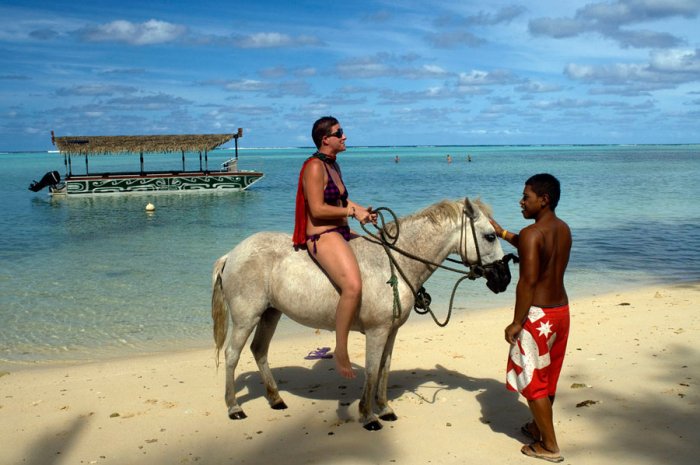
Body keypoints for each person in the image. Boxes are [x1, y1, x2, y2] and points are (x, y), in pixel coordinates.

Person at [490, 173, 572, 463]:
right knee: (548, 377)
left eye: (526, 196)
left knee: (533, 379)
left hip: (536, 317)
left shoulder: (532, 234)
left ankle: (549, 446)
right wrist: (502, 233)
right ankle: (537, 426)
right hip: (560, 313)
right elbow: (531, 246)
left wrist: (516, 322)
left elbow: (526, 283)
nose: (521, 201)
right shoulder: (562, 229)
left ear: (544, 200)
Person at [293, 116, 377, 379]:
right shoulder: (315, 167)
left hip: (339, 229)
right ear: (325, 139)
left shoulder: (333, 165)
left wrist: (361, 209)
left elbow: (342, 198)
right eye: (339, 132)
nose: (344, 137)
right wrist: (352, 213)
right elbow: (317, 208)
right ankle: (341, 349)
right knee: (353, 286)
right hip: (322, 233)